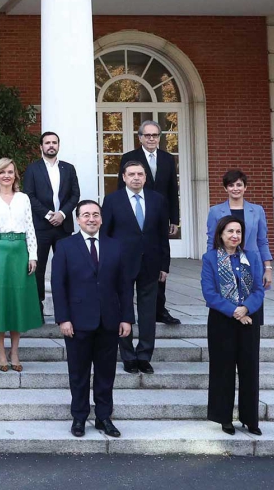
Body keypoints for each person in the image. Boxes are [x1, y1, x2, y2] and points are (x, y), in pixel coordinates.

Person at [51, 200, 134, 438]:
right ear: (77, 219)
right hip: (77, 322)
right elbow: (59, 286)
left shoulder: (115, 246)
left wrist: (126, 318)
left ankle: (104, 417)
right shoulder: (65, 246)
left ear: (101, 218)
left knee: (106, 373)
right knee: (78, 373)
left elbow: (125, 286)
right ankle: (79, 417)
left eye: (95, 215)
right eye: (86, 215)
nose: (91, 219)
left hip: (109, 321)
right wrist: (63, 319)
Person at [101, 160, 170, 375]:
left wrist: (164, 265)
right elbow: (106, 235)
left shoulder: (157, 200)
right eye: (131, 174)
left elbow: (162, 236)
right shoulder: (112, 200)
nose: (136, 178)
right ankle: (128, 356)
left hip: (150, 263)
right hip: (121, 264)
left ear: (145, 177)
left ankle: (144, 355)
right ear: (123, 177)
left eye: (140, 174)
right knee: (124, 309)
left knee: (148, 313)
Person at [202, 216, 265, 436]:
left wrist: (245, 308)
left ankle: (250, 419)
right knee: (223, 369)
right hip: (222, 320)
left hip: (249, 319)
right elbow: (209, 294)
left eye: (238, 232)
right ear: (221, 234)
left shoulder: (251, 257)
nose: (234, 236)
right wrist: (234, 311)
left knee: (249, 370)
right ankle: (224, 418)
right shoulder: (210, 258)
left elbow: (259, 290)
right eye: (230, 231)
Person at [0, 158, 42, 372]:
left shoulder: (23, 198)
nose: (7, 175)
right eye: (2, 171)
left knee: (17, 302)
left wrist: (32, 254)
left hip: (20, 251)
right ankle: (0, 351)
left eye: (11, 172)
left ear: (16, 176)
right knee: (0, 302)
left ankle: (15, 351)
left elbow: (30, 228)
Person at [118, 120, 181, 325]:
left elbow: (173, 190)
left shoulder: (168, 159)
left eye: (155, 135)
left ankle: (159, 310)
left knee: (159, 262)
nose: (152, 139)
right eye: (148, 135)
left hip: (159, 217)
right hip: (134, 216)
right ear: (140, 138)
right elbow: (121, 189)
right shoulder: (129, 158)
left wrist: (175, 219)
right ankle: (125, 311)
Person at [22, 131, 80, 317]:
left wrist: (62, 214)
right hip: (41, 226)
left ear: (58, 146)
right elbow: (29, 196)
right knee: (37, 268)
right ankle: (37, 307)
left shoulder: (68, 169)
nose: (51, 145)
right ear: (41, 146)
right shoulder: (33, 169)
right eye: (47, 143)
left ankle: (65, 306)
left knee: (65, 267)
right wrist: (48, 215)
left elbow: (75, 195)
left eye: (54, 142)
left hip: (63, 226)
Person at [206, 170, 274, 289]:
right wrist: (210, 267)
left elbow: (262, 241)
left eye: (239, 185)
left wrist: (268, 269)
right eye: (231, 185)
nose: (235, 188)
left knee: (254, 304)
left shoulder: (257, 211)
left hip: (253, 265)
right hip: (225, 265)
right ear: (225, 188)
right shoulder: (215, 211)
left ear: (245, 187)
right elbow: (212, 241)